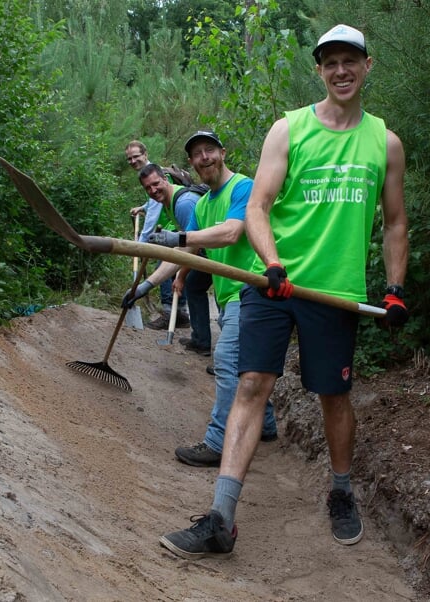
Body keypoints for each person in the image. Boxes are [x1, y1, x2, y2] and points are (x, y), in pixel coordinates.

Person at [159, 24, 409, 559]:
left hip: (334, 292)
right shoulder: (289, 129)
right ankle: (221, 518)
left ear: (368, 66)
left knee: (333, 396)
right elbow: (257, 207)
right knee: (251, 384)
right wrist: (271, 261)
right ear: (319, 70)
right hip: (273, 285)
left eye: (350, 61)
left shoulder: (384, 142)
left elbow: (394, 224)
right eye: (330, 62)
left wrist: (394, 289)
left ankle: (341, 492)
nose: (340, 71)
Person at [121, 131, 279, 467]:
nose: (204, 157)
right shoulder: (204, 204)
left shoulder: (243, 188)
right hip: (226, 296)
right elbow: (185, 253)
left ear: (222, 153)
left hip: (249, 291)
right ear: (191, 163)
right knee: (249, 362)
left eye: (209, 150)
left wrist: (179, 235)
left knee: (224, 360)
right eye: (197, 154)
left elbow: (231, 232)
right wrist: (145, 286)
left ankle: (218, 442)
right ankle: (264, 424)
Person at [124, 140, 190, 329]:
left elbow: (153, 215)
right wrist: (142, 207)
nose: (133, 161)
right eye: (129, 158)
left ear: (145, 154)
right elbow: (153, 204)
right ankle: (181, 312)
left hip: (169, 229)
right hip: (172, 226)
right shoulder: (152, 173)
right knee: (175, 269)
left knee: (164, 268)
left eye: (136, 156)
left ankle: (171, 313)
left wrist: (141, 245)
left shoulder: (155, 175)